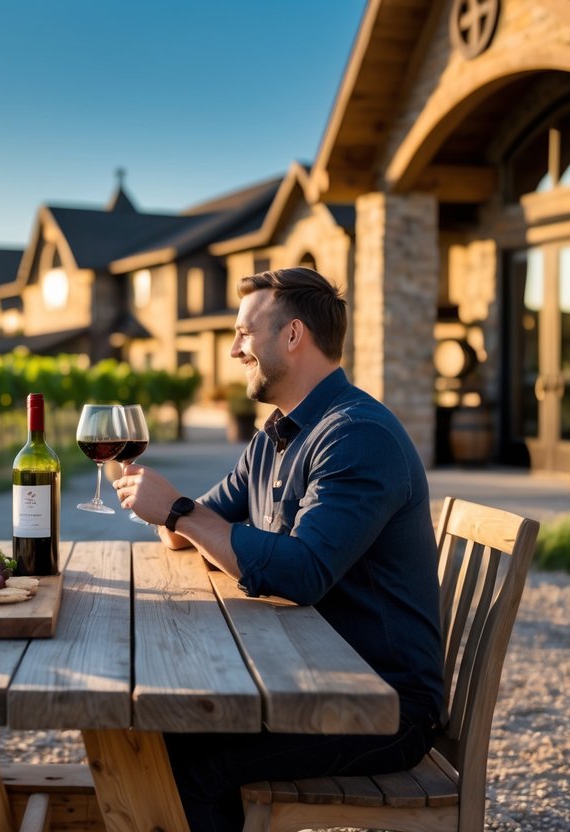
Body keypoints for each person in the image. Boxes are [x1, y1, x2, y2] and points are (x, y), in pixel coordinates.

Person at [113, 267, 444, 832]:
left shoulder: (357, 436)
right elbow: (198, 521)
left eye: (245, 333)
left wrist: (177, 510)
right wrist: (172, 513)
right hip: (307, 674)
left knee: (189, 761)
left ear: (292, 336)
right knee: (151, 728)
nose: (236, 349)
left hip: (379, 703)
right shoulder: (278, 432)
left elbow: (303, 573)